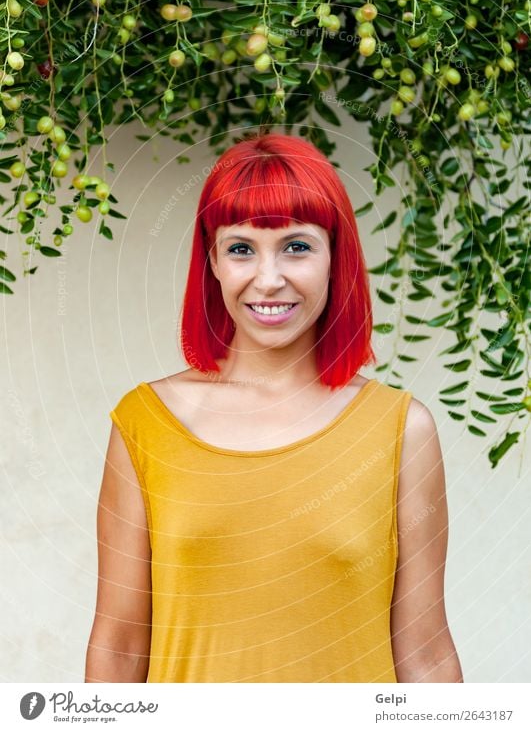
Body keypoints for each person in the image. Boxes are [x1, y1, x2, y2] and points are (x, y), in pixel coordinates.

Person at [85, 131, 463, 684]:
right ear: (212, 260)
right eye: (241, 248)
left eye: (297, 246)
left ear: (336, 257)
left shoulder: (401, 430)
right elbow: (118, 650)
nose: (269, 278)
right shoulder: (146, 424)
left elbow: (425, 655)